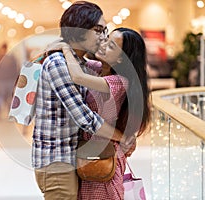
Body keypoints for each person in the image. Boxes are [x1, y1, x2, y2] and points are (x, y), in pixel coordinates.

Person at [32, 1, 134, 199]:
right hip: (56, 162)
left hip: (71, 157)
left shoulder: (80, 64)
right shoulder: (58, 64)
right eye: (98, 30)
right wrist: (122, 137)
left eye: (105, 31)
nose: (103, 37)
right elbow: (85, 118)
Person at [62, 27, 151, 199]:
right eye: (106, 40)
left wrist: (66, 47)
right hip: (91, 156)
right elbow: (80, 62)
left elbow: (78, 76)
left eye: (111, 46)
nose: (103, 45)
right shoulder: (101, 69)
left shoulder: (118, 82)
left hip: (104, 160)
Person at [0, 43, 19, 119]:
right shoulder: (12, 57)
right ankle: (10, 114)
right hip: (10, 80)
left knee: (0, 97)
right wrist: (16, 81)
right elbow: (16, 70)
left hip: (1, 81)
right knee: (9, 98)